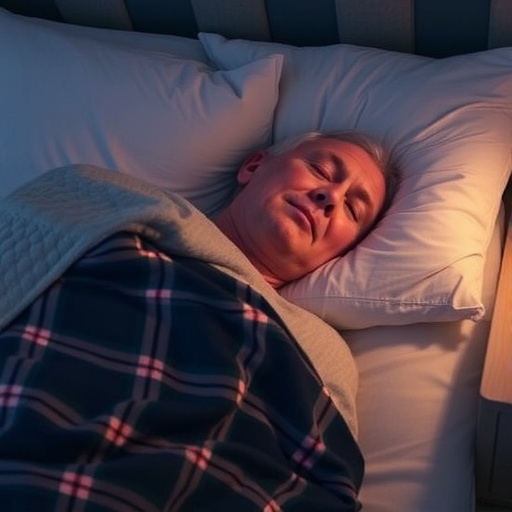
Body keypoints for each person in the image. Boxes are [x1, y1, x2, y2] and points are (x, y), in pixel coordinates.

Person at [215, 130, 399, 287]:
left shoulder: (287, 320)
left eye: (352, 209)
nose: (333, 197)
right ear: (253, 167)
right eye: (322, 171)